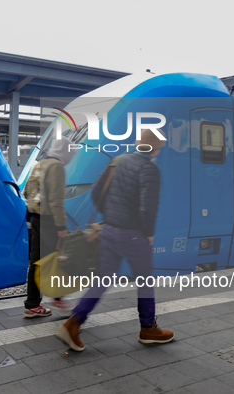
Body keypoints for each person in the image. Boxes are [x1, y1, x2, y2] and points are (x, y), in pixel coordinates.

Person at [56, 129, 174, 351]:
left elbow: (96, 192)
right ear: (155, 148)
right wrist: (148, 233)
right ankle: (148, 328)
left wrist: (109, 217)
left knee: (102, 280)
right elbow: (147, 207)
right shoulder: (149, 169)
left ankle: (73, 323)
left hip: (108, 231)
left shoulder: (118, 161)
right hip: (132, 234)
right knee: (145, 282)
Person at [23, 136, 76, 317]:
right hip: (49, 220)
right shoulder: (57, 167)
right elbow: (55, 200)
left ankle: (32, 304)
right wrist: (61, 226)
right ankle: (57, 298)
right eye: (72, 153)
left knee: (37, 261)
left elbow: (25, 191)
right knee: (56, 258)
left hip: (34, 218)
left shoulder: (39, 163)